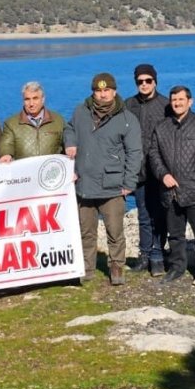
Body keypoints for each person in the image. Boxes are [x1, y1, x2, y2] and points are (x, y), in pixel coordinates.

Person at [64, 73, 142, 286]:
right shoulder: (81, 112)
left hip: (112, 185)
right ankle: (86, 268)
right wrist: (70, 142)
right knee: (86, 232)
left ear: (114, 92)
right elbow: (69, 128)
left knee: (115, 231)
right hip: (85, 184)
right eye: (99, 91)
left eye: (107, 90)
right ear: (94, 93)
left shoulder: (127, 119)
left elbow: (135, 152)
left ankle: (116, 267)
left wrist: (129, 182)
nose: (103, 94)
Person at [147, 86, 195, 289]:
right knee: (175, 235)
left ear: (190, 101)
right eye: (174, 100)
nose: (177, 103)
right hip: (171, 192)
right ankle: (177, 267)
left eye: (181, 99)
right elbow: (154, 154)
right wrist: (163, 175)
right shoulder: (162, 128)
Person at [125, 63, 169, 276]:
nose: (144, 84)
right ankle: (144, 255)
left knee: (160, 214)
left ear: (155, 81)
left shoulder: (165, 104)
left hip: (160, 170)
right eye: (140, 81)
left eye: (148, 81)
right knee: (143, 214)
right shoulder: (128, 105)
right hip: (138, 170)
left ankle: (158, 255)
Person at [0, 81, 65, 161]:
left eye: (35, 98)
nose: (31, 103)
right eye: (27, 99)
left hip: (50, 170)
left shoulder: (58, 120)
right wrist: (6, 154)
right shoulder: (11, 123)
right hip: (24, 172)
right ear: (23, 101)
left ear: (43, 99)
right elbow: (6, 144)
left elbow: (67, 143)